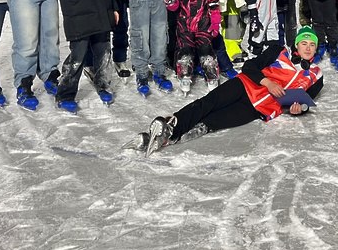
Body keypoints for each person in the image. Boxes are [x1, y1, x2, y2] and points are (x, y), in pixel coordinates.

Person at [123, 26, 324, 156]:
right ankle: (171, 126)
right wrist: (267, 82)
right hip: (245, 86)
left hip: (259, 108)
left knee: (213, 122)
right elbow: (250, 66)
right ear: (296, 44)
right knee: (207, 104)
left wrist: (298, 109)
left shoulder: (316, 75)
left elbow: (306, 101)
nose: (308, 48)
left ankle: (168, 139)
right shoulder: (278, 52)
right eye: (304, 43)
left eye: (312, 45)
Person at [167, 0, 222, 94]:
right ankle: (185, 74)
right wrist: (170, 1)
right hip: (184, 25)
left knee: (206, 50)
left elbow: (214, 5)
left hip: (203, 24)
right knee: (185, 51)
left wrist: (215, 23)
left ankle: (211, 74)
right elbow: (175, 6)